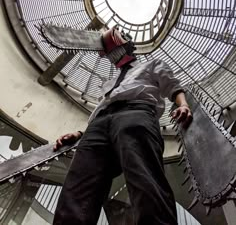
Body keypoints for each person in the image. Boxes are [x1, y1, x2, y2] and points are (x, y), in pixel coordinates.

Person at [52, 26, 192, 225]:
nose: (111, 56)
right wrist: (80, 133)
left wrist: (183, 105)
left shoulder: (152, 64)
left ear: (126, 45)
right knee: (77, 187)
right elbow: (103, 105)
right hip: (98, 125)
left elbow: (172, 85)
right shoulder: (109, 83)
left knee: (144, 177)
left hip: (136, 112)